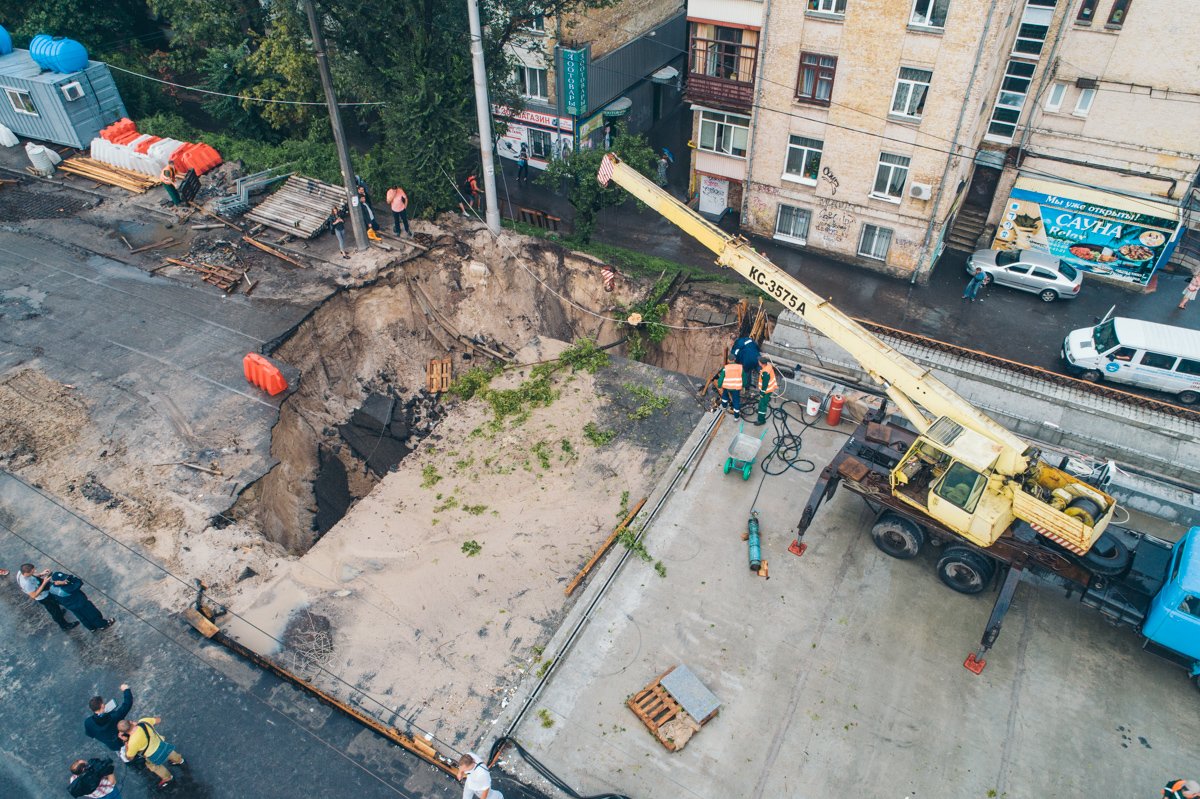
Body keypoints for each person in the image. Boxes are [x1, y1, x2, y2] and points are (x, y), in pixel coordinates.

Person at [118, 717, 185, 789]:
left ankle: (168, 778)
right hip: (161, 744)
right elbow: (158, 720)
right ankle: (179, 760)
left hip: (151, 755)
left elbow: (129, 757)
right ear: (130, 722)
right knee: (170, 752)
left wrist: (126, 742)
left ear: (124, 733)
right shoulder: (143, 722)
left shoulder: (132, 743)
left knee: (155, 767)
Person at [16, 564, 78, 631]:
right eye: (33, 571)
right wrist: (44, 583)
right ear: (26, 573)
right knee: (54, 610)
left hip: (41, 587)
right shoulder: (26, 584)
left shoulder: (21, 572)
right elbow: (33, 595)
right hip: (43, 596)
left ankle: (59, 613)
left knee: (55, 605)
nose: (35, 571)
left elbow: (32, 576)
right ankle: (64, 625)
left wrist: (41, 574)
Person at [49, 572, 114, 631]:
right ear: (56, 581)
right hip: (81, 603)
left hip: (70, 606)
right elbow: (79, 582)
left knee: (82, 617)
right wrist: (71, 578)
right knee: (93, 614)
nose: (65, 580)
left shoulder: (52, 588)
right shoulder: (67, 589)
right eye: (62, 579)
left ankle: (91, 628)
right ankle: (103, 625)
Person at [85, 684, 134, 751]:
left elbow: (90, 734)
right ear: (102, 706)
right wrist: (126, 690)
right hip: (124, 740)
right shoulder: (114, 716)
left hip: (113, 745)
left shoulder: (88, 722)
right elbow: (127, 704)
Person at [756, 356, 779, 426]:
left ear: (761, 363)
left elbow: (765, 384)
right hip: (770, 389)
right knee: (762, 402)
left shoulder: (765, 373)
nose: (758, 362)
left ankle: (761, 420)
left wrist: (762, 393)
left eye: (759, 361)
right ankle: (762, 409)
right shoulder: (768, 366)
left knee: (762, 405)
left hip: (766, 391)